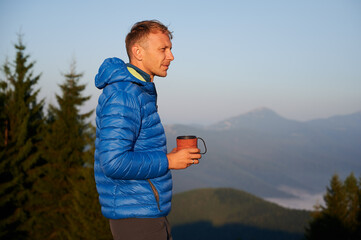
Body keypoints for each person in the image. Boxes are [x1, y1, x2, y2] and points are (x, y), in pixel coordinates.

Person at [94, 20, 201, 240]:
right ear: (138, 52)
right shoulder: (124, 95)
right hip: (136, 218)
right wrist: (169, 161)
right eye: (163, 49)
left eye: (170, 49)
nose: (171, 56)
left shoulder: (137, 91)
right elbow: (113, 162)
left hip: (143, 211)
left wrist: (170, 156)